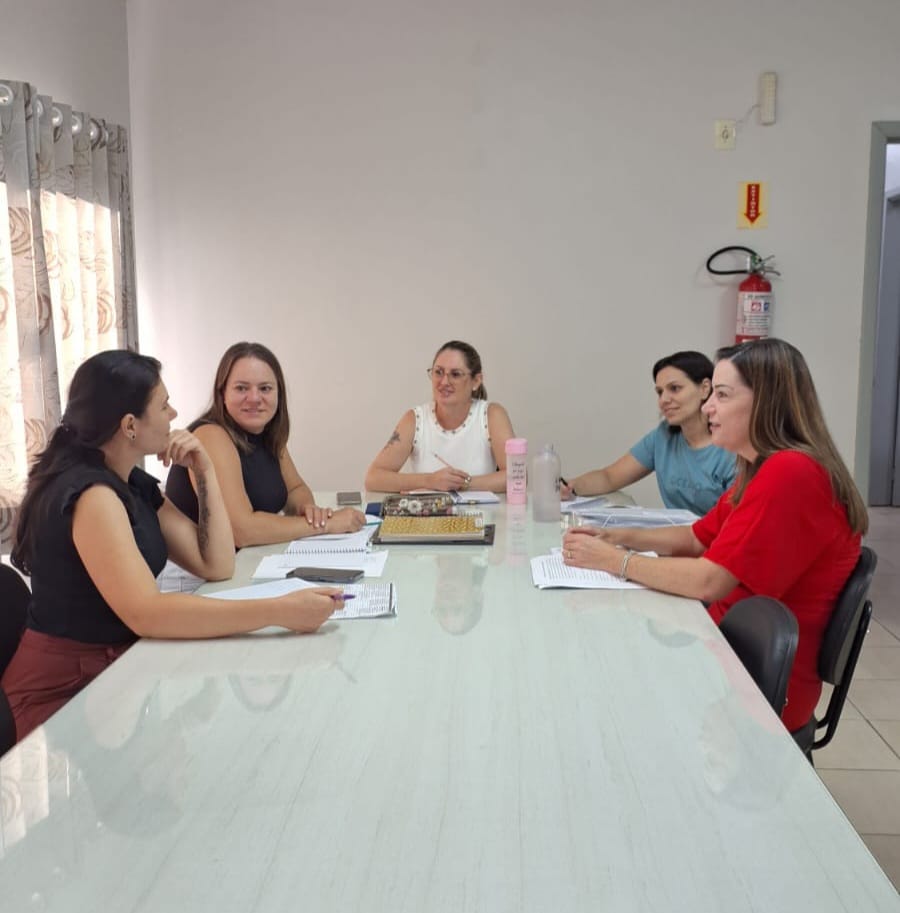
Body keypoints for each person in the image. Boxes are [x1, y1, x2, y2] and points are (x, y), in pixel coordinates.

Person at [3, 350, 345, 742]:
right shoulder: (93, 495)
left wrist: (205, 470)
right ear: (130, 425)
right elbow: (148, 614)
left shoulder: (132, 483)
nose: (174, 414)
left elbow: (216, 564)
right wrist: (279, 611)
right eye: (164, 405)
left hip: (113, 683)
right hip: (62, 697)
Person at [561, 338, 867, 732]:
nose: (708, 408)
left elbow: (709, 580)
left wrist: (615, 561)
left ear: (766, 402)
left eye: (721, 395)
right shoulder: (760, 469)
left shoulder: (790, 473)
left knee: (601, 673)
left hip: (754, 679)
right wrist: (617, 536)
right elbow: (696, 537)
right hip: (729, 645)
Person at [166, 342, 364, 546]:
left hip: (245, 559)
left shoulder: (267, 431)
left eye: (265, 388)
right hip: (202, 566)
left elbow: (295, 489)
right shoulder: (210, 436)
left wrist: (308, 510)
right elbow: (241, 531)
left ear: (278, 394)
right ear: (222, 393)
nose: (254, 398)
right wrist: (326, 525)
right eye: (241, 388)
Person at [562, 350, 736, 515]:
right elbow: (609, 477)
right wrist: (568, 487)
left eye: (675, 388)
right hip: (678, 534)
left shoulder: (733, 448)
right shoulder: (663, 437)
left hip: (718, 536)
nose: (664, 400)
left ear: (704, 388)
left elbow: (737, 523)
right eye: (660, 392)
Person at [365, 340, 515, 493]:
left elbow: (516, 478)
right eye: (438, 372)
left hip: (484, 510)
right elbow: (373, 478)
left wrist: (461, 483)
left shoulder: (492, 415)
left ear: (476, 381)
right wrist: (429, 481)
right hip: (428, 510)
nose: (444, 382)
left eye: (455, 374)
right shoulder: (414, 419)